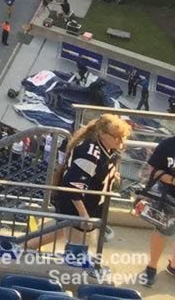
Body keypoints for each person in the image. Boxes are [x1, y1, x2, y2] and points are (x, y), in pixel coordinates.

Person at [50, 114, 130, 249]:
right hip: (78, 211)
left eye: (123, 136)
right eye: (116, 136)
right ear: (102, 134)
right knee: (83, 253)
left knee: (56, 234)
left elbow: (97, 173)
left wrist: (111, 176)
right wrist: (84, 216)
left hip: (91, 208)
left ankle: (23, 247)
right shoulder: (90, 152)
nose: (120, 140)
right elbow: (72, 187)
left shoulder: (110, 151)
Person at [137, 131, 175, 284]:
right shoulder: (167, 144)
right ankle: (151, 267)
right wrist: (173, 180)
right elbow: (153, 171)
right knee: (162, 232)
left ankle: (173, 265)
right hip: (169, 197)